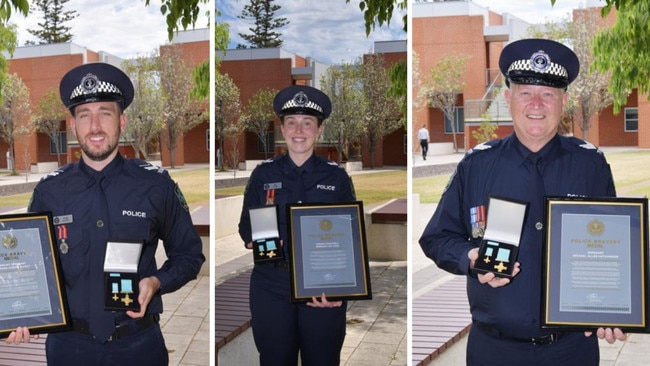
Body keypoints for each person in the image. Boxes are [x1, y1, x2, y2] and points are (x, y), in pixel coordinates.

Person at [419, 38, 626, 365]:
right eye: (526, 92)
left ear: (563, 100)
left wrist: (612, 305)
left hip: (571, 350)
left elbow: (610, 249)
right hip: (494, 350)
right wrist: (470, 258)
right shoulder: (477, 165)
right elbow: (436, 238)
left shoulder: (590, 165)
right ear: (508, 98)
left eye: (548, 94)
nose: (536, 104)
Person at [4, 62, 205, 365]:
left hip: (138, 345)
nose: (95, 126)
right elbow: (28, 266)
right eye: (85, 115)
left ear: (122, 122)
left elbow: (189, 256)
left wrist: (156, 281)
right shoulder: (50, 191)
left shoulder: (155, 185)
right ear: (73, 125)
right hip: (69, 348)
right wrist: (20, 310)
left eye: (105, 113)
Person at [238, 85, 356, 366]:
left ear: (319, 130)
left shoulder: (337, 177)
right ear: (282, 129)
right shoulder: (263, 174)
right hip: (272, 284)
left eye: (307, 123)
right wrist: (258, 239)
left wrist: (340, 290)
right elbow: (246, 226)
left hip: (322, 288)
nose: (299, 130)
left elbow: (349, 238)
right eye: (291, 123)